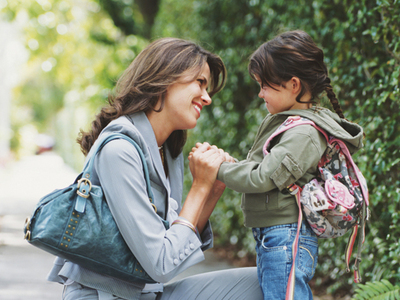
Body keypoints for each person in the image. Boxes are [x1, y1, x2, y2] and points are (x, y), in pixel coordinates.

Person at [47, 38, 263, 300]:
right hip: (104, 295)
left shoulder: (167, 150)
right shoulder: (119, 151)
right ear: (166, 77)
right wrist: (200, 187)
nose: (207, 98)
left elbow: (175, 238)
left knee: (265, 280)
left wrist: (213, 189)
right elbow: (162, 263)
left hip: (147, 293)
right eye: (200, 83)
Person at [191, 30, 365, 299]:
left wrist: (216, 168)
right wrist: (230, 164)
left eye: (265, 85)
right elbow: (268, 171)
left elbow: (263, 178)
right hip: (277, 234)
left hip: (286, 235)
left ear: (293, 85)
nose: (260, 94)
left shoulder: (304, 133)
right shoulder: (291, 124)